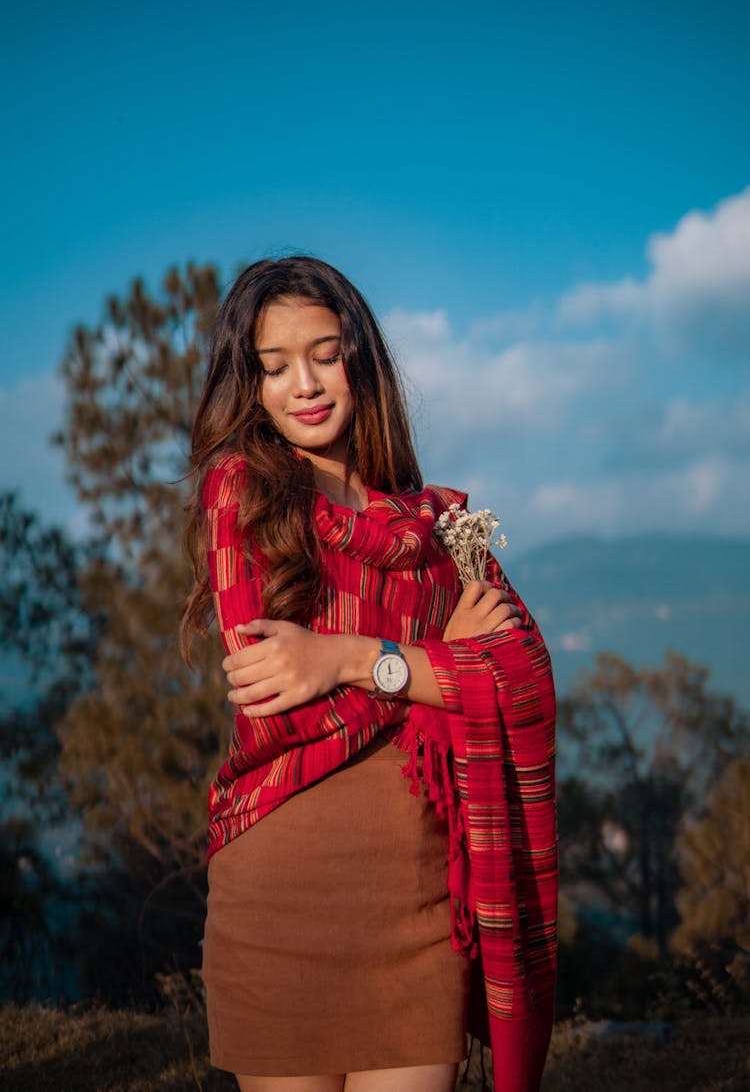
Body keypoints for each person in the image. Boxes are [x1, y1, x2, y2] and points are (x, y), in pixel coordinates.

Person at [181, 256, 557, 1092]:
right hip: (279, 885)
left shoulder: (435, 522)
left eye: (325, 354)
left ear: (362, 359)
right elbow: (278, 707)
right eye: (274, 367)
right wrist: (436, 661)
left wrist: (350, 658)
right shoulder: (242, 492)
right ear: (250, 382)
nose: (303, 385)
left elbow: (524, 674)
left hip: (417, 895)